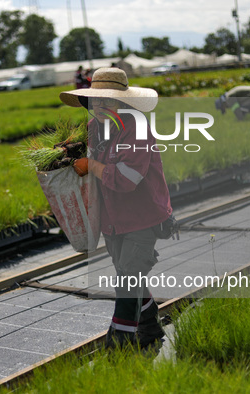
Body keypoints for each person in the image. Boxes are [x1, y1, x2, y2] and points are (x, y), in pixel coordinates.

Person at [60, 68, 173, 350]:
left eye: (107, 100)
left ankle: (118, 347)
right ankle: (150, 330)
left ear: (122, 102)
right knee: (128, 275)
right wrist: (67, 153)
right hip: (113, 220)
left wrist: (92, 166)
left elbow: (127, 179)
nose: (100, 107)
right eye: (95, 100)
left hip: (142, 218)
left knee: (127, 281)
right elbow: (86, 156)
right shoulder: (94, 128)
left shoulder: (135, 128)